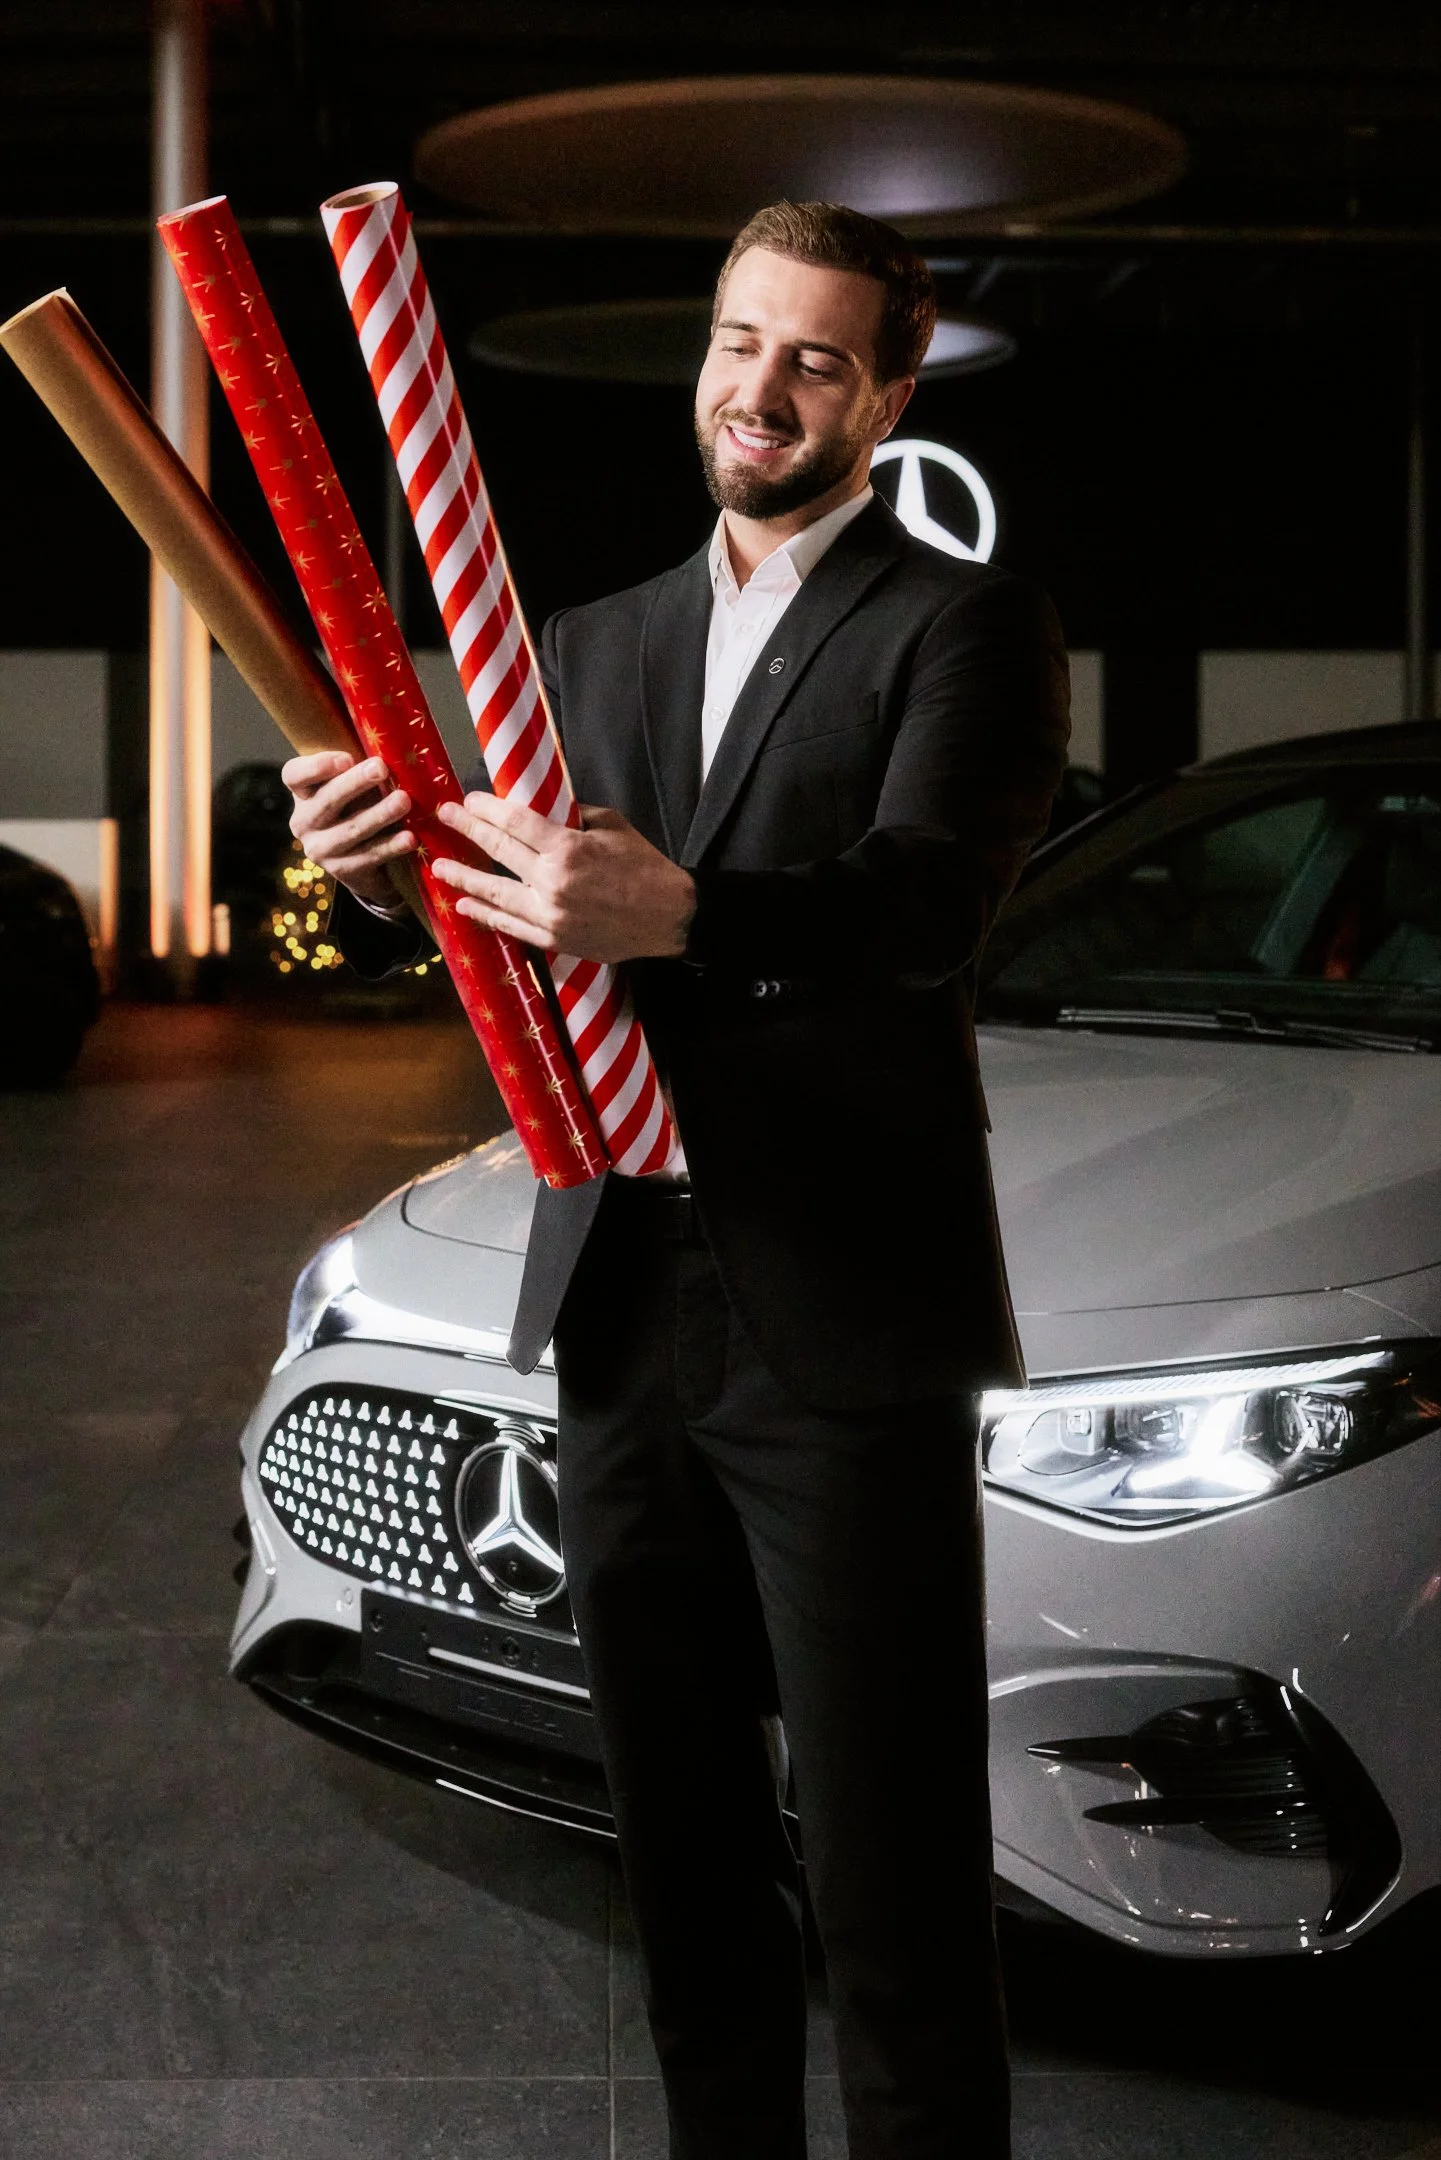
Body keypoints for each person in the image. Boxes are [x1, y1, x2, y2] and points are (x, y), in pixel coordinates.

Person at [284, 200, 1071, 2160]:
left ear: (887, 397)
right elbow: (493, 915)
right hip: (618, 1299)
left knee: (891, 1877)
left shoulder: (962, 623)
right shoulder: (586, 644)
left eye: (818, 360)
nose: (764, 389)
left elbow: (926, 913)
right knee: (685, 1861)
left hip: (838, 1316)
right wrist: (389, 877)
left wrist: (698, 914)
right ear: (701, 354)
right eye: (741, 343)